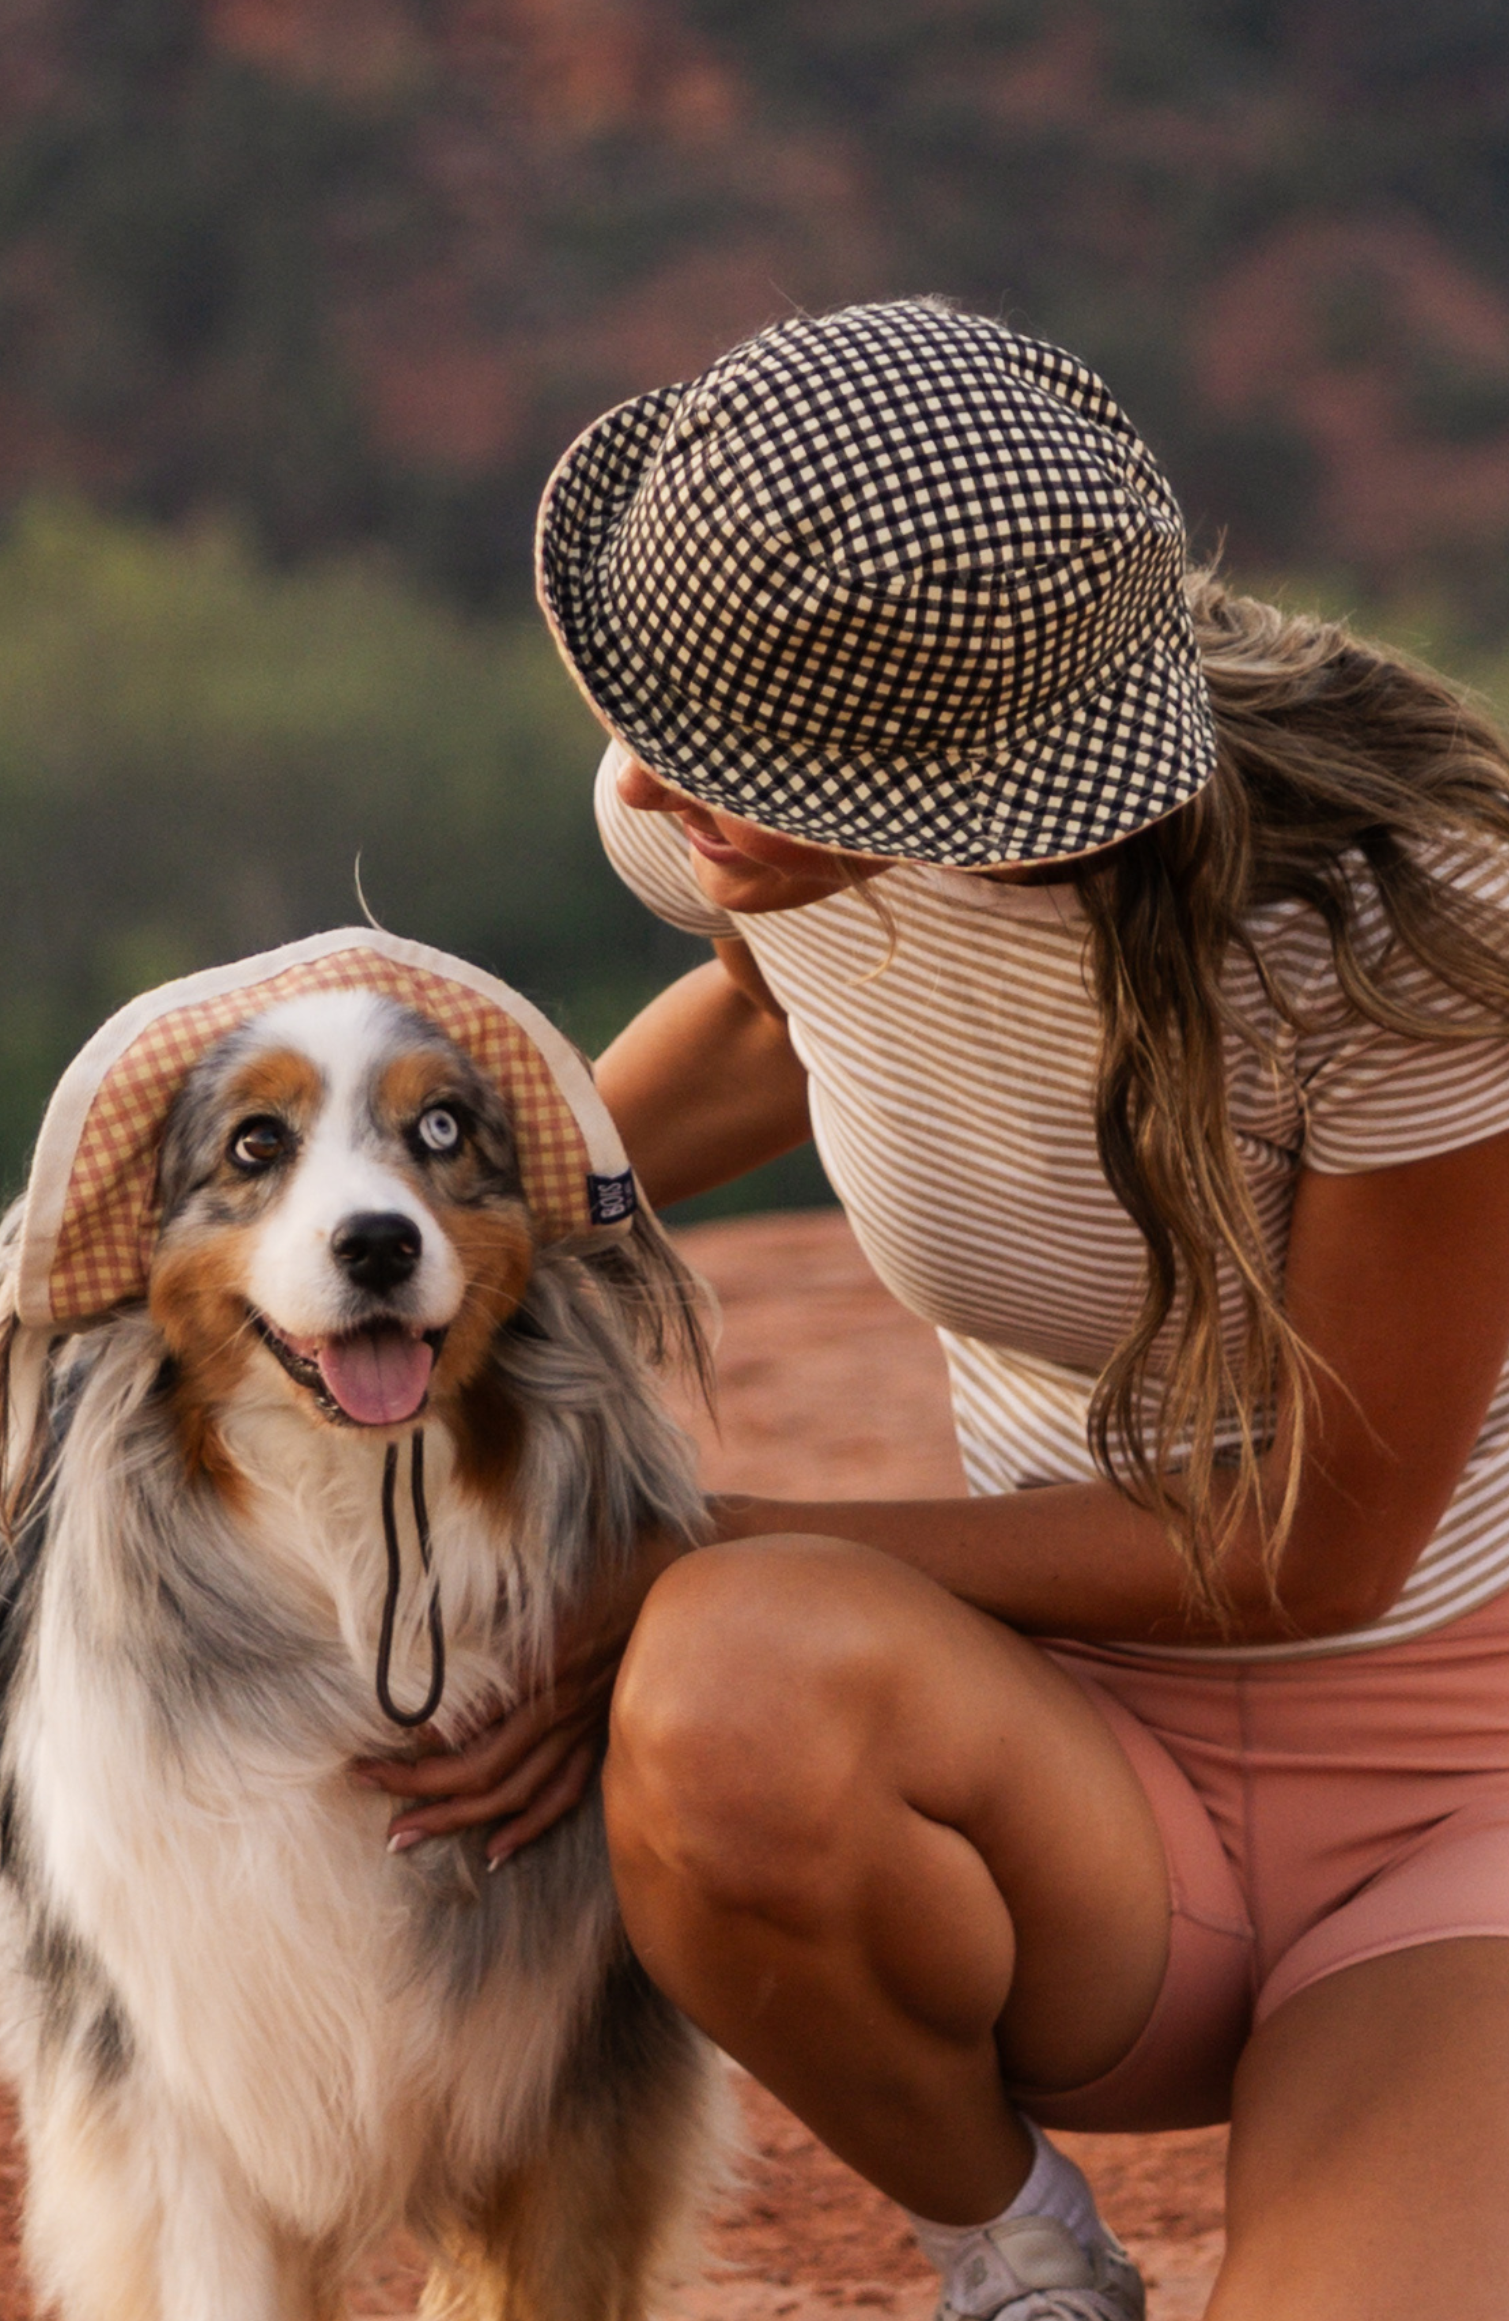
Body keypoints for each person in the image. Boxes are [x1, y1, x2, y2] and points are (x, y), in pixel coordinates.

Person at [353, 300, 1509, 2319]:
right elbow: (773, 1018)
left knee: (701, 1591)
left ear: (988, 785)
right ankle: (1022, 2257)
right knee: (733, 1685)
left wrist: (674, 1548)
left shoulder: (1401, 938)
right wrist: (446, 1247)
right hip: (1069, 1783)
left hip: (1455, 1805)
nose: (659, 784)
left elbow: (1315, 1546)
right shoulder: (735, 826)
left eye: (747, 758)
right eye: (671, 712)